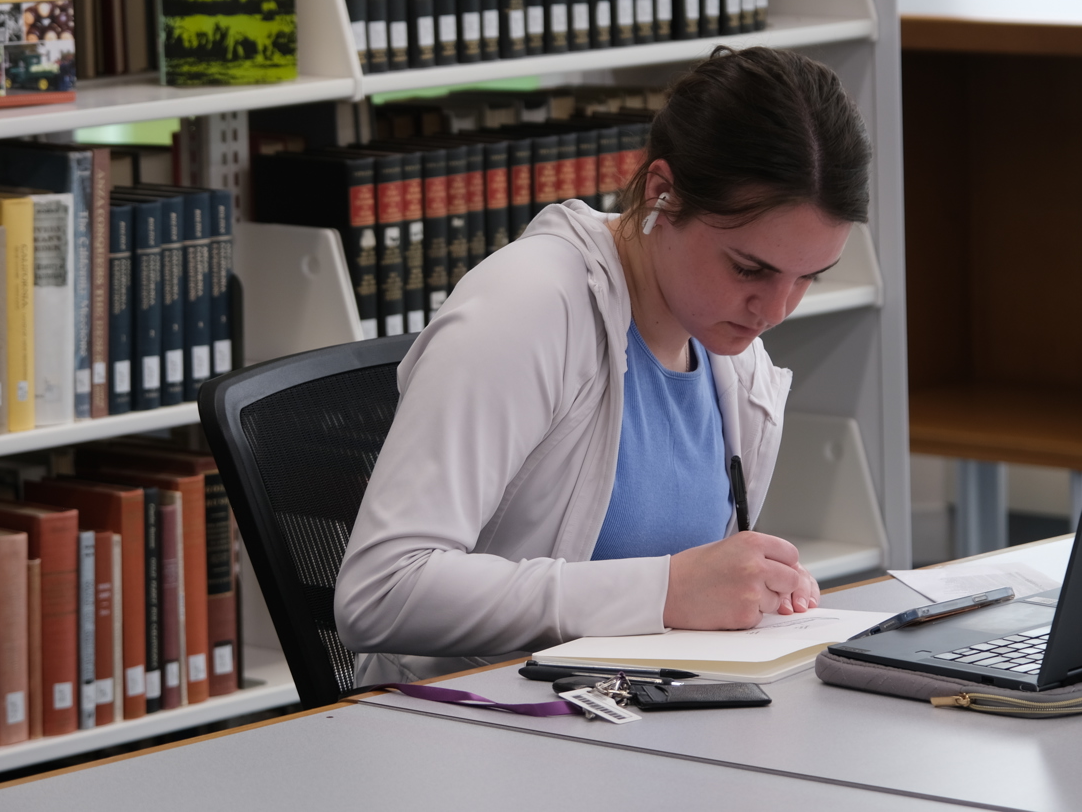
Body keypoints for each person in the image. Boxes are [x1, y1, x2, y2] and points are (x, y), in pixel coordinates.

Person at [335, 46, 873, 684]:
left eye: (808, 277)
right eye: (748, 268)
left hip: (632, 716)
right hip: (477, 722)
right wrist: (665, 591)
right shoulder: (528, 307)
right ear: (662, 193)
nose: (776, 310)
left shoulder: (733, 353)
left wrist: (749, 589)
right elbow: (380, 592)